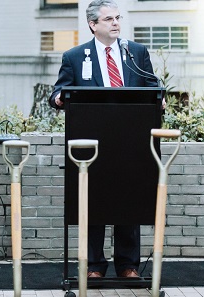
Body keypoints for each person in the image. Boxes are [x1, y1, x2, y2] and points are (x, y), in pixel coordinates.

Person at [49, 0, 159, 279]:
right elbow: (58, 92)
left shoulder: (135, 52)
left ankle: (128, 265)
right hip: (91, 141)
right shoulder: (75, 56)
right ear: (93, 25)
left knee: (128, 200)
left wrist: (161, 98)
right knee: (93, 202)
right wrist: (60, 99)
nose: (115, 23)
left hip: (130, 142)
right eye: (108, 19)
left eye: (117, 18)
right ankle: (94, 266)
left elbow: (152, 86)